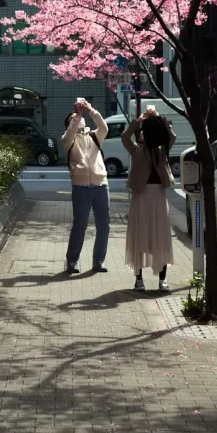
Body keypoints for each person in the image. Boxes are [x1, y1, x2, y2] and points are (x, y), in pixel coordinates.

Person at [121, 108, 176, 292]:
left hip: (156, 196)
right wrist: (140, 119)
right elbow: (125, 136)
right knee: (140, 236)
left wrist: (161, 120)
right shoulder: (138, 150)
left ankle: (162, 280)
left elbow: (171, 137)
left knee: (160, 237)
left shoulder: (161, 150)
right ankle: (139, 280)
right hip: (142, 196)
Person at [62, 100, 110, 274]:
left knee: (103, 225)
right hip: (81, 186)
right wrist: (77, 117)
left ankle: (98, 261)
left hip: (100, 184)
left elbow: (104, 128)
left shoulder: (94, 136)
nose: (78, 118)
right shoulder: (68, 141)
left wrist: (91, 110)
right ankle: (72, 261)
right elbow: (69, 135)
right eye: (74, 118)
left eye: (79, 117)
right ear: (69, 125)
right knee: (80, 225)